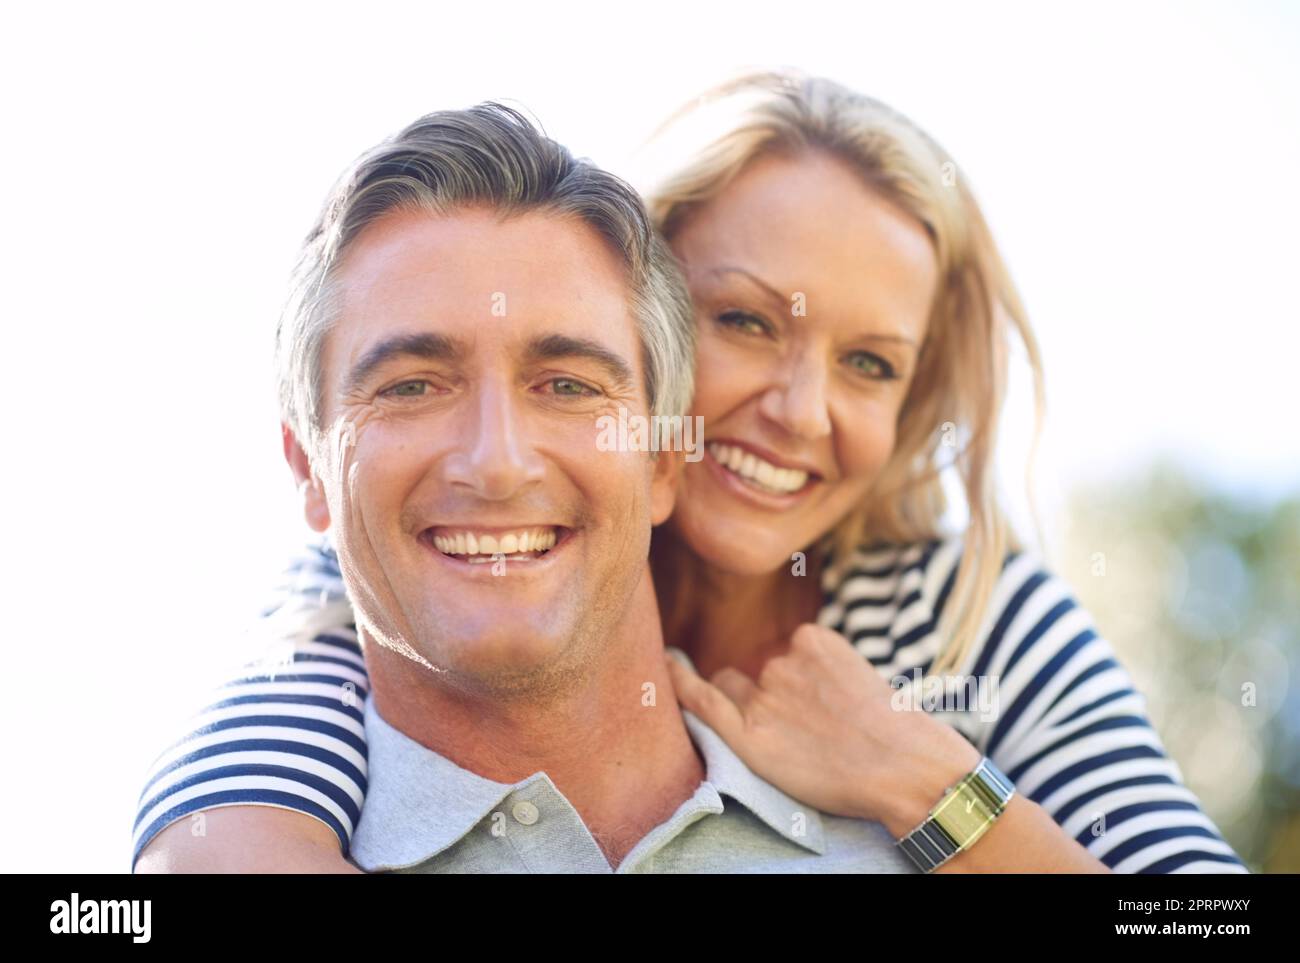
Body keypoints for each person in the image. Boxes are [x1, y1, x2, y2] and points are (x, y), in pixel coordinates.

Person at [133, 72, 1248, 873]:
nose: (800, 411)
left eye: (867, 364)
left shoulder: (954, 618)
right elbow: (234, 796)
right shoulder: (406, 577)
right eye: (747, 322)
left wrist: (923, 781)